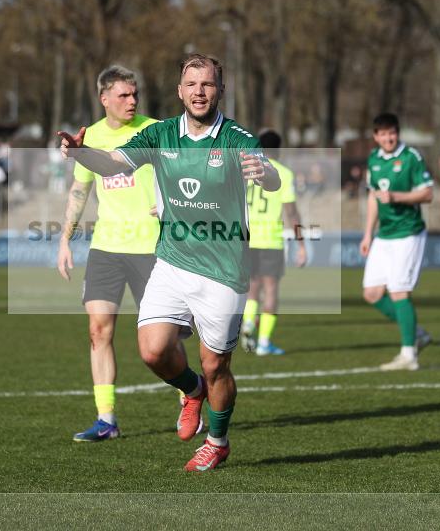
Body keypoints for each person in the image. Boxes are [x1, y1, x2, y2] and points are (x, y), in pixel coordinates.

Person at [59, 53, 279, 472]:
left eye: (208, 84)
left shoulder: (236, 138)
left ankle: (217, 441)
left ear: (220, 91)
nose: (199, 92)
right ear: (179, 91)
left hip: (223, 269)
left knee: (217, 366)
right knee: (154, 350)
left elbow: (271, 176)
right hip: (173, 261)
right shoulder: (160, 134)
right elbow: (110, 164)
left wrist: (263, 173)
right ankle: (191, 389)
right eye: (191, 85)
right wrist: (82, 151)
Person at [56, 65, 162, 443]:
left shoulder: (157, 130)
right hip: (106, 248)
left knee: (163, 340)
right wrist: (65, 239)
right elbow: (79, 192)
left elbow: (188, 173)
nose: (132, 101)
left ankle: (190, 397)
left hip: (153, 246)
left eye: (135, 94)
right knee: (98, 331)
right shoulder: (91, 137)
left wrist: (172, 204)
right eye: (123, 95)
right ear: (105, 99)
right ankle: (106, 419)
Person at [359, 113, 434, 371]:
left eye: (392, 133)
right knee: (371, 293)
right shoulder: (374, 159)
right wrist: (368, 233)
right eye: (383, 134)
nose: (388, 138)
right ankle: (417, 333)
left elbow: (427, 193)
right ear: (376, 136)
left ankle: (408, 355)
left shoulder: (411, 157)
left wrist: (397, 197)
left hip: (409, 233)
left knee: (399, 290)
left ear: (398, 133)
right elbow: (373, 197)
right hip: (385, 235)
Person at [240, 130, 307, 356]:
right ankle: (264, 343)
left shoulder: (247, 170)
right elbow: (292, 213)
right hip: (270, 240)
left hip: (246, 239)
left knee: (252, 290)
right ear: (279, 149)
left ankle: (248, 323)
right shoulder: (283, 174)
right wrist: (301, 244)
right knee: (271, 291)